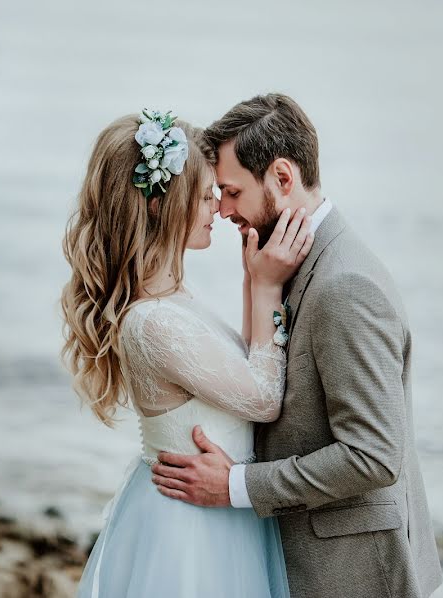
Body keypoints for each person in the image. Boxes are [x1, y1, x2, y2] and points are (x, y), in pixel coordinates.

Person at [151, 94, 443, 598]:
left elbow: (374, 455)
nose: (221, 210)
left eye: (231, 191)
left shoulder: (344, 285)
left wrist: (236, 486)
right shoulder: (288, 259)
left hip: (352, 572)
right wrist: (257, 286)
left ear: (282, 178)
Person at [61, 109, 313, 597]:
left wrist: (250, 281)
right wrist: (266, 289)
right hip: (189, 532)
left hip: (213, 513)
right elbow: (262, 398)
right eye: (202, 197)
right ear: (160, 207)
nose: (217, 210)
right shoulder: (152, 322)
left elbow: (239, 370)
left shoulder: (170, 299)